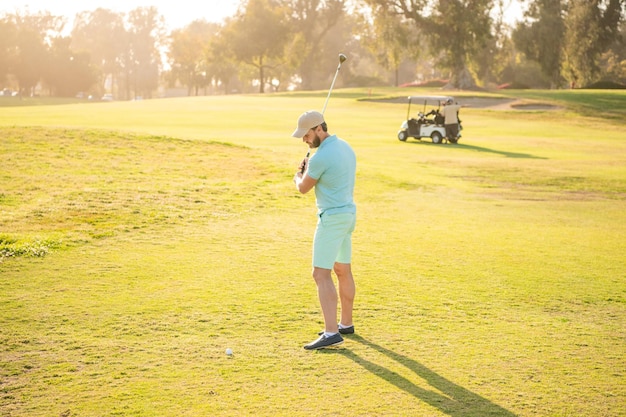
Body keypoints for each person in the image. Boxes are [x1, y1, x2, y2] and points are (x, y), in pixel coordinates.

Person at [291, 110, 357, 350]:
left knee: (320, 274)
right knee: (342, 269)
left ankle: (331, 333)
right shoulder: (345, 147)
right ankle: (345, 324)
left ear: (319, 129)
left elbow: (303, 188)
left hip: (331, 219)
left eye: (306, 135)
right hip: (348, 214)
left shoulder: (320, 158)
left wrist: (299, 174)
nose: (304, 140)